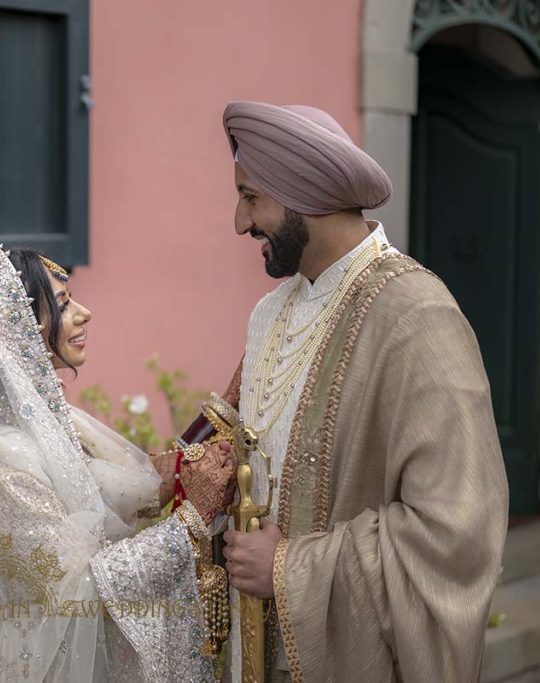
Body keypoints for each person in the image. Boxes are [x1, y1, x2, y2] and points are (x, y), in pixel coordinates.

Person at [217, 101, 508, 682]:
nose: (239, 221)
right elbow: (232, 444)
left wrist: (288, 567)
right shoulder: (271, 314)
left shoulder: (417, 316)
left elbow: (456, 532)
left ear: (302, 194)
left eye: (251, 197)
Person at [0, 246, 235, 681]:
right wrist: (190, 524)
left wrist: (219, 424)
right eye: (64, 305)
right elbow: (80, 587)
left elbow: (130, 485)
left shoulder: (47, 427)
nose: (85, 313)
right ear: (15, 331)